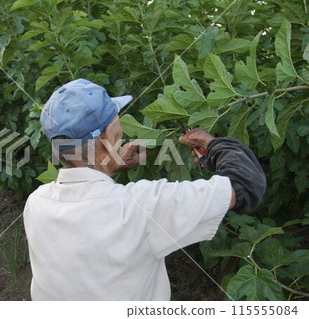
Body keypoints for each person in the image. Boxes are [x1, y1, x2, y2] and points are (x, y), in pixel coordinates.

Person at [23, 79, 266, 300]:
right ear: (110, 134)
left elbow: (89, 192)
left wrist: (108, 164)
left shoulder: (36, 203)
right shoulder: (142, 206)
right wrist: (213, 146)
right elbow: (245, 185)